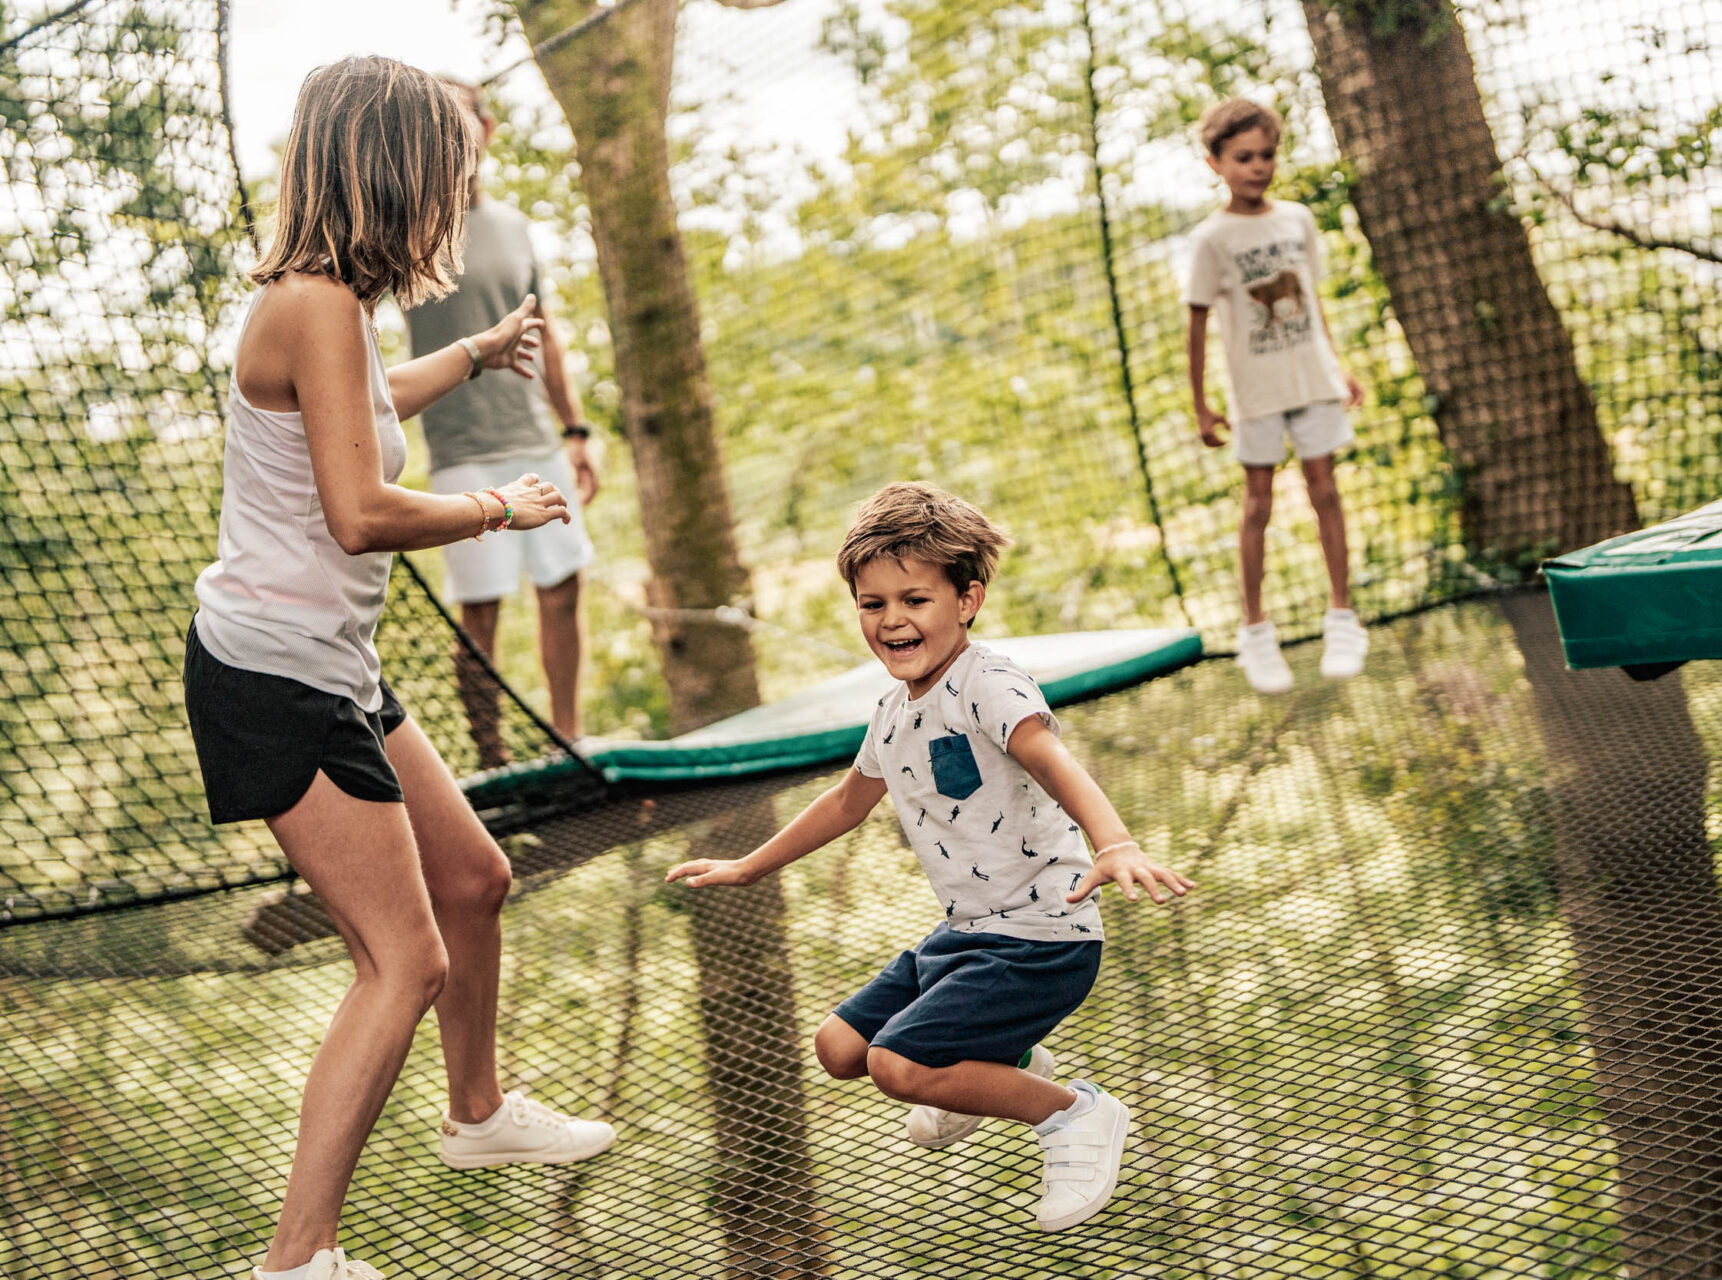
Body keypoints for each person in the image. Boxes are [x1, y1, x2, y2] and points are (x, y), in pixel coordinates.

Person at [181, 58, 615, 1280]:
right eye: (449, 171)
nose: (460, 191)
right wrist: (495, 506)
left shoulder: (331, 308)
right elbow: (360, 509)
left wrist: (474, 354)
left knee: (474, 879)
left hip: (331, 664)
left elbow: (366, 407)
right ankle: (295, 1260)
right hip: (273, 677)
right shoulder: (312, 303)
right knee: (404, 958)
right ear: (394, 170)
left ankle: (475, 1113)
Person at [665, 482, 1194, 1232]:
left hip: (1040, 940)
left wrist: (1116, 844)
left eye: (914, 600)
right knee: (839, 1048)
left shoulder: (988, 683)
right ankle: (996, 1071)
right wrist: (751, 865)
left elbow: (1052, 760)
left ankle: (1075, 1114)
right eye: (872, 604)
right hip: (968, 935)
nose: (892, 621)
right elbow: (847, 802)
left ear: (966, 600)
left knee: (899, 1067)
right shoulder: (892, 710)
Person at [402, 80, 598, 767]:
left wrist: (575, 432)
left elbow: (542, 333)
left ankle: (569, 738)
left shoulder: (515, 227)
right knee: (480, 609)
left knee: (562, 588)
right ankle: (493, 762)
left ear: (486, 128)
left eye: (460, 119)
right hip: (460, 450)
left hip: (535, 439)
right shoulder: (408, 227)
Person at [1185, 98, 1368, 694]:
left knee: (1326, 492)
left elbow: (1312, 302)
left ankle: (1342, 617)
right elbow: (1197, 321)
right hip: (1255, 391)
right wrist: (1201, 403)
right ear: (1215, 162)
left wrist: (1339, 367)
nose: (1257, 167)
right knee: (1257, 505)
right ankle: (1255, 629)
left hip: (1312, 380)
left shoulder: (1297, 219)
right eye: (1243, 157)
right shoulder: (1211, 238)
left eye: (1266, 155)